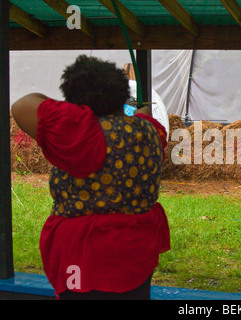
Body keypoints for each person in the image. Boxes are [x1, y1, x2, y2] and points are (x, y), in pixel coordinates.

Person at [11, 55, 170, 300]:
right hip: (137, 249)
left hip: (84, 250)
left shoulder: (78, 130)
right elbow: (142, 115)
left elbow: (23, 105)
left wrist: (82, 105)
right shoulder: (147, 128)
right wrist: (126, 110)